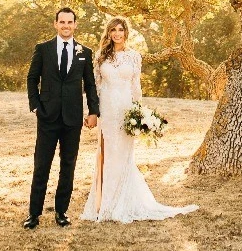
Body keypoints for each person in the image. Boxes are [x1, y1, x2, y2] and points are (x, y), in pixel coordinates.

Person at [80, 16, 198, 223]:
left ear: (126, 32)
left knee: (124, 156)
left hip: (126, 111)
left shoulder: (134, 56)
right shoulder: (100, 57)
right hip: (107, 111)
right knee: (107, 155)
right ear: (108, 33)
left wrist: (139, 113)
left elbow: (136, 87)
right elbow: (95, 87)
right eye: (113, 30)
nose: (117, 33)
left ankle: (123, 202)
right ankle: (104, 204)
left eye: (120, 30)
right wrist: (92, 112)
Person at [23, 7, 100, 229]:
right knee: (42, 165)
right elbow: (31, 79)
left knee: (68, 165)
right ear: (55, 24)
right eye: (62, 22)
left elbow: (90, 84)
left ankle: (61, 211)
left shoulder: (85, 52)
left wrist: (93, 111)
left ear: (75, 25)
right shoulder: (43, 49)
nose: (66, 26)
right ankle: (34, 213)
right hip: (47, 116)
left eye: (70, 22)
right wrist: (36, 107)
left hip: (72, 118)